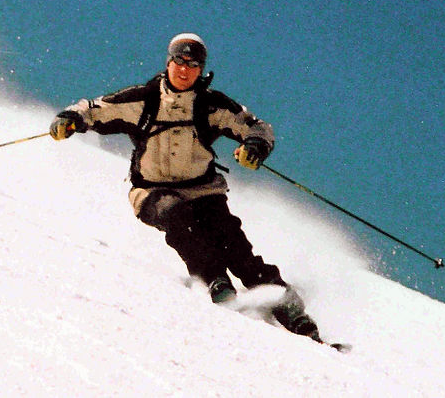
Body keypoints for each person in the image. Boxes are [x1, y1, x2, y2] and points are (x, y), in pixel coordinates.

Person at [49, 33, 321, 340]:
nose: (184, 69)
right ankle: (216, 281)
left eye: (193, 64)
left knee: (234, 245)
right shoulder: (144, 100)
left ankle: (293, 313)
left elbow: (256, 127)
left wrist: (255, 146)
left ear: (201, 70)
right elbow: (96, 108)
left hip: (204, 191)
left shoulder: (211, 106)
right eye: (179, 61)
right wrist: (70, 119)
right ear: (168, 62)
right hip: (151, 191)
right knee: (175, 215)